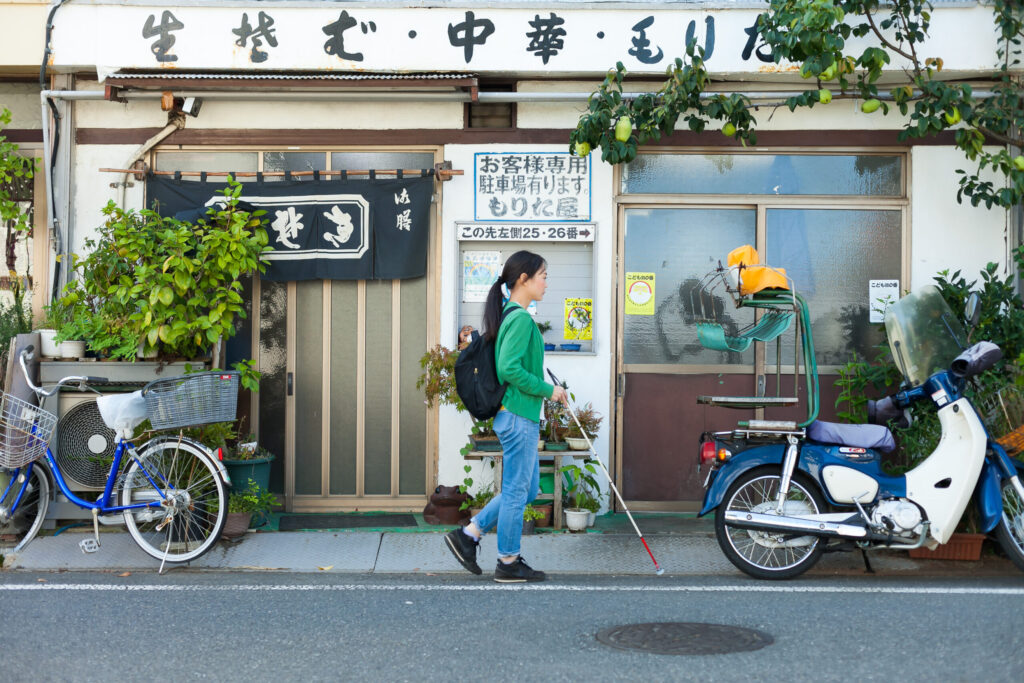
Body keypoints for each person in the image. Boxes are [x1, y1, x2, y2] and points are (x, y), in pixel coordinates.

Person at [444, 250, 568, 582]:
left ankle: (469, 534)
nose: (546, 282)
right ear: (523, 280)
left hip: (516, 416)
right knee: (517, 491)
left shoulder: (511, 315)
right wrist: (548, 390)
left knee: (525, 491)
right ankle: (508, 561)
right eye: (542, 275)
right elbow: (509, 368)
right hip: (517, 417)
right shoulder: (521, 319)